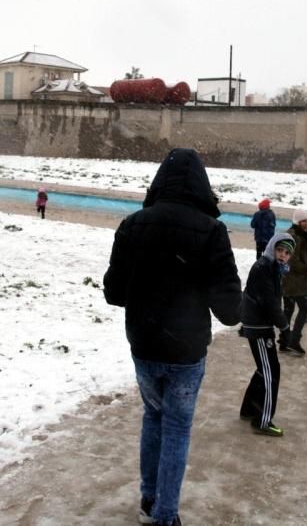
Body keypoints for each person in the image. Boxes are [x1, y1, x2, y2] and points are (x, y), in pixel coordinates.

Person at [103, 148, 241, 526]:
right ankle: (166, 514)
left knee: (153, 417)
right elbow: (229, 310)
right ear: (201, 185)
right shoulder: (212, 231)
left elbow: (114, 293)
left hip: (144, 345)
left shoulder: (133, 225)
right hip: (186, 351)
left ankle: (149, 497)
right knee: (177, 426)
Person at [239, 232, 294, 437]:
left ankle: (248, 409)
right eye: (280, 250)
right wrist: (285, 327)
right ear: (272, 248)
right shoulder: (265, 267)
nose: (282, 255)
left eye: (287, 253)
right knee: (271, 372)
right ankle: (262, 420)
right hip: (259, 327)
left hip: (259, 324)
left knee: (264, 369)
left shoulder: (273, 267)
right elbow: (269, 301)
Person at [279, 209, 307, 355]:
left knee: (288, 310)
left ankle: (284, 341)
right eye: (303, 221)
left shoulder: (298, 235)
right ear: (297, 222)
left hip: (290, 280)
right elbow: (291, 260)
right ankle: (293, 340)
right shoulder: (294, 236)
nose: (306, 224)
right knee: (304, 307)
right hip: (294, 280)